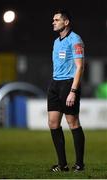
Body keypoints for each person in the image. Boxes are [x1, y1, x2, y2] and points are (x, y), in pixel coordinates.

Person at [47, 9, 85, 172]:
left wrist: (73, 91)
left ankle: (79, 165)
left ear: (66, 22)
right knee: (53, 123)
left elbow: (80, 67)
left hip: (69, 84)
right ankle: (62, 165)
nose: (53, 22)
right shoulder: (56, 41)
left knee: (73, 123)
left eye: (57, 20)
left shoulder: (75, 40)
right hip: (55, 84)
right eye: (53, 20)